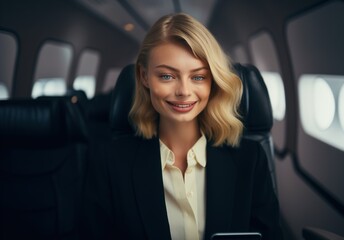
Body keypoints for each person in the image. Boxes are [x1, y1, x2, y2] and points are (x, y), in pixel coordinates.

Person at [80, 13, 283, 240]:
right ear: (144, 76)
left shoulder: (250, 159)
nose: (184, 91)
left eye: (198, 77)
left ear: (213, 81)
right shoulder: (109, 164)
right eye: (167, 76)